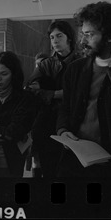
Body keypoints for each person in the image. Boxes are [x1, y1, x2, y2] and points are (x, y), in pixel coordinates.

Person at [56, 1, 111, 177]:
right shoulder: (75, 68)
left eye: (89, 35)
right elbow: (65, 107)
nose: (82, 41)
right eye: (82, 34)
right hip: (76, 159)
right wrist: (63, 130)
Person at [26, 20, 80, 177]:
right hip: (47, 121)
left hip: (72, 120)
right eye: (51, 37)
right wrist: (59, 93)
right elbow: (30, 88)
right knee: (48, 167)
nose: (55, 40)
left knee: (70, 168)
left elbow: (79, 93)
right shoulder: (46, 64)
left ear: (69, 38)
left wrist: (46, 91)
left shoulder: (81, 62)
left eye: (59, 36)